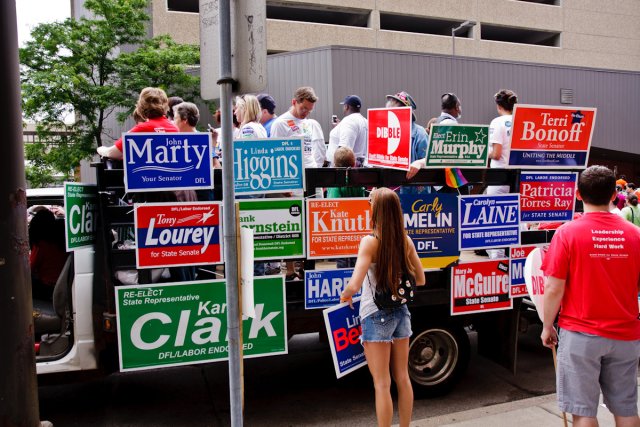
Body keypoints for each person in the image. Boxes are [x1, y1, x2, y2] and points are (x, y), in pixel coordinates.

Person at [540, 165, 640, 427]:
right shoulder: (635, 235)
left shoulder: (567, 233)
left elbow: (553, 288)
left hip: (581, 335)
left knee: (583, 412)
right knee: (626, 408)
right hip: (625, 335)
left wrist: (547, 325)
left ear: (577, 194)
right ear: (612, 195)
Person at [340, 187, 425, 427]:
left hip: (375, 314)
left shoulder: (370, 242)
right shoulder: (405, 241)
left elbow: (355, 284)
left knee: (382, 383)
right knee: (403, 378)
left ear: (375, 212)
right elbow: (420, 279)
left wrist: (345, 295)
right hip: (402, 312)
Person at [97, 87, 179, 159]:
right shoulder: (174, 128)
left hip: (147, 176)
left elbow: (113, 153)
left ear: (141, 106)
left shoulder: (142, 129)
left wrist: (101, 149)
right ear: (165, 105)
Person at [270, 86, 326, 168]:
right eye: (303, 108)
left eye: (309, 110)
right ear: (294, 102)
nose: (306, 112)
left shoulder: (309, 123)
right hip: (293, 174)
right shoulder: (280, 123)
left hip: (311, 171)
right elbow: (275, 154)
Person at [29, 208, 67, 300]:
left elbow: (29, 269)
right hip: (64, 285)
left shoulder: (40, 245)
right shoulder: (62, 242)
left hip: (47, 288)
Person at [326, 95, 368, 167]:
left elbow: (343, 153)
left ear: (346, 107)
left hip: (344, 170)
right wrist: (339, 127)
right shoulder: (365, 121)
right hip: (359, 166)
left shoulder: (349, 121)